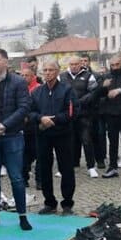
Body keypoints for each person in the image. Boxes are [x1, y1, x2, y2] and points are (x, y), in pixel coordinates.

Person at [0, 49, 32, 230]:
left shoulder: (18, 82)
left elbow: (24, 107)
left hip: (12, 136)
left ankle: (22, 216)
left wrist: (5, 125)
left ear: (6, 62)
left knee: (16, 178)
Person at [28, 61, 77, 214]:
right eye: (45, 70)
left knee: (66, 168)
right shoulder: (36, 92)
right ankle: (49, 202)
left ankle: (67, 203)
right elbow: (30, 111)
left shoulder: (67, 89)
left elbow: (71, 111)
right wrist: (41, 118)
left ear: (57, 71)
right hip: (43, 134)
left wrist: (53, 120)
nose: (48, 73)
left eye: (51, 70)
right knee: (44, 168)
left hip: (62, 134)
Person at [60, 56, 99, 178]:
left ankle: (91, 167)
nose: (74, 66)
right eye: (71, 64)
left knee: (86, 140)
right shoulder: (61, 76)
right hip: (67, 114)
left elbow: (94, 93)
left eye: (76, 64)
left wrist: (79, 102)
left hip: (84, 113)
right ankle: (65, 167)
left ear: (80, 64)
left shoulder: (88, 76)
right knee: (66, 141)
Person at [21, 67, 41, 190]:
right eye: (22, 75)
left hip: (36, 125)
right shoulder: (19, 89)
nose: (23, 78)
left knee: (39, 154)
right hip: (23, 126)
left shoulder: (39, 88)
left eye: (26, 75)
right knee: (24, 154)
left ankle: (40, 180)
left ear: (33, 76)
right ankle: (24, 178)